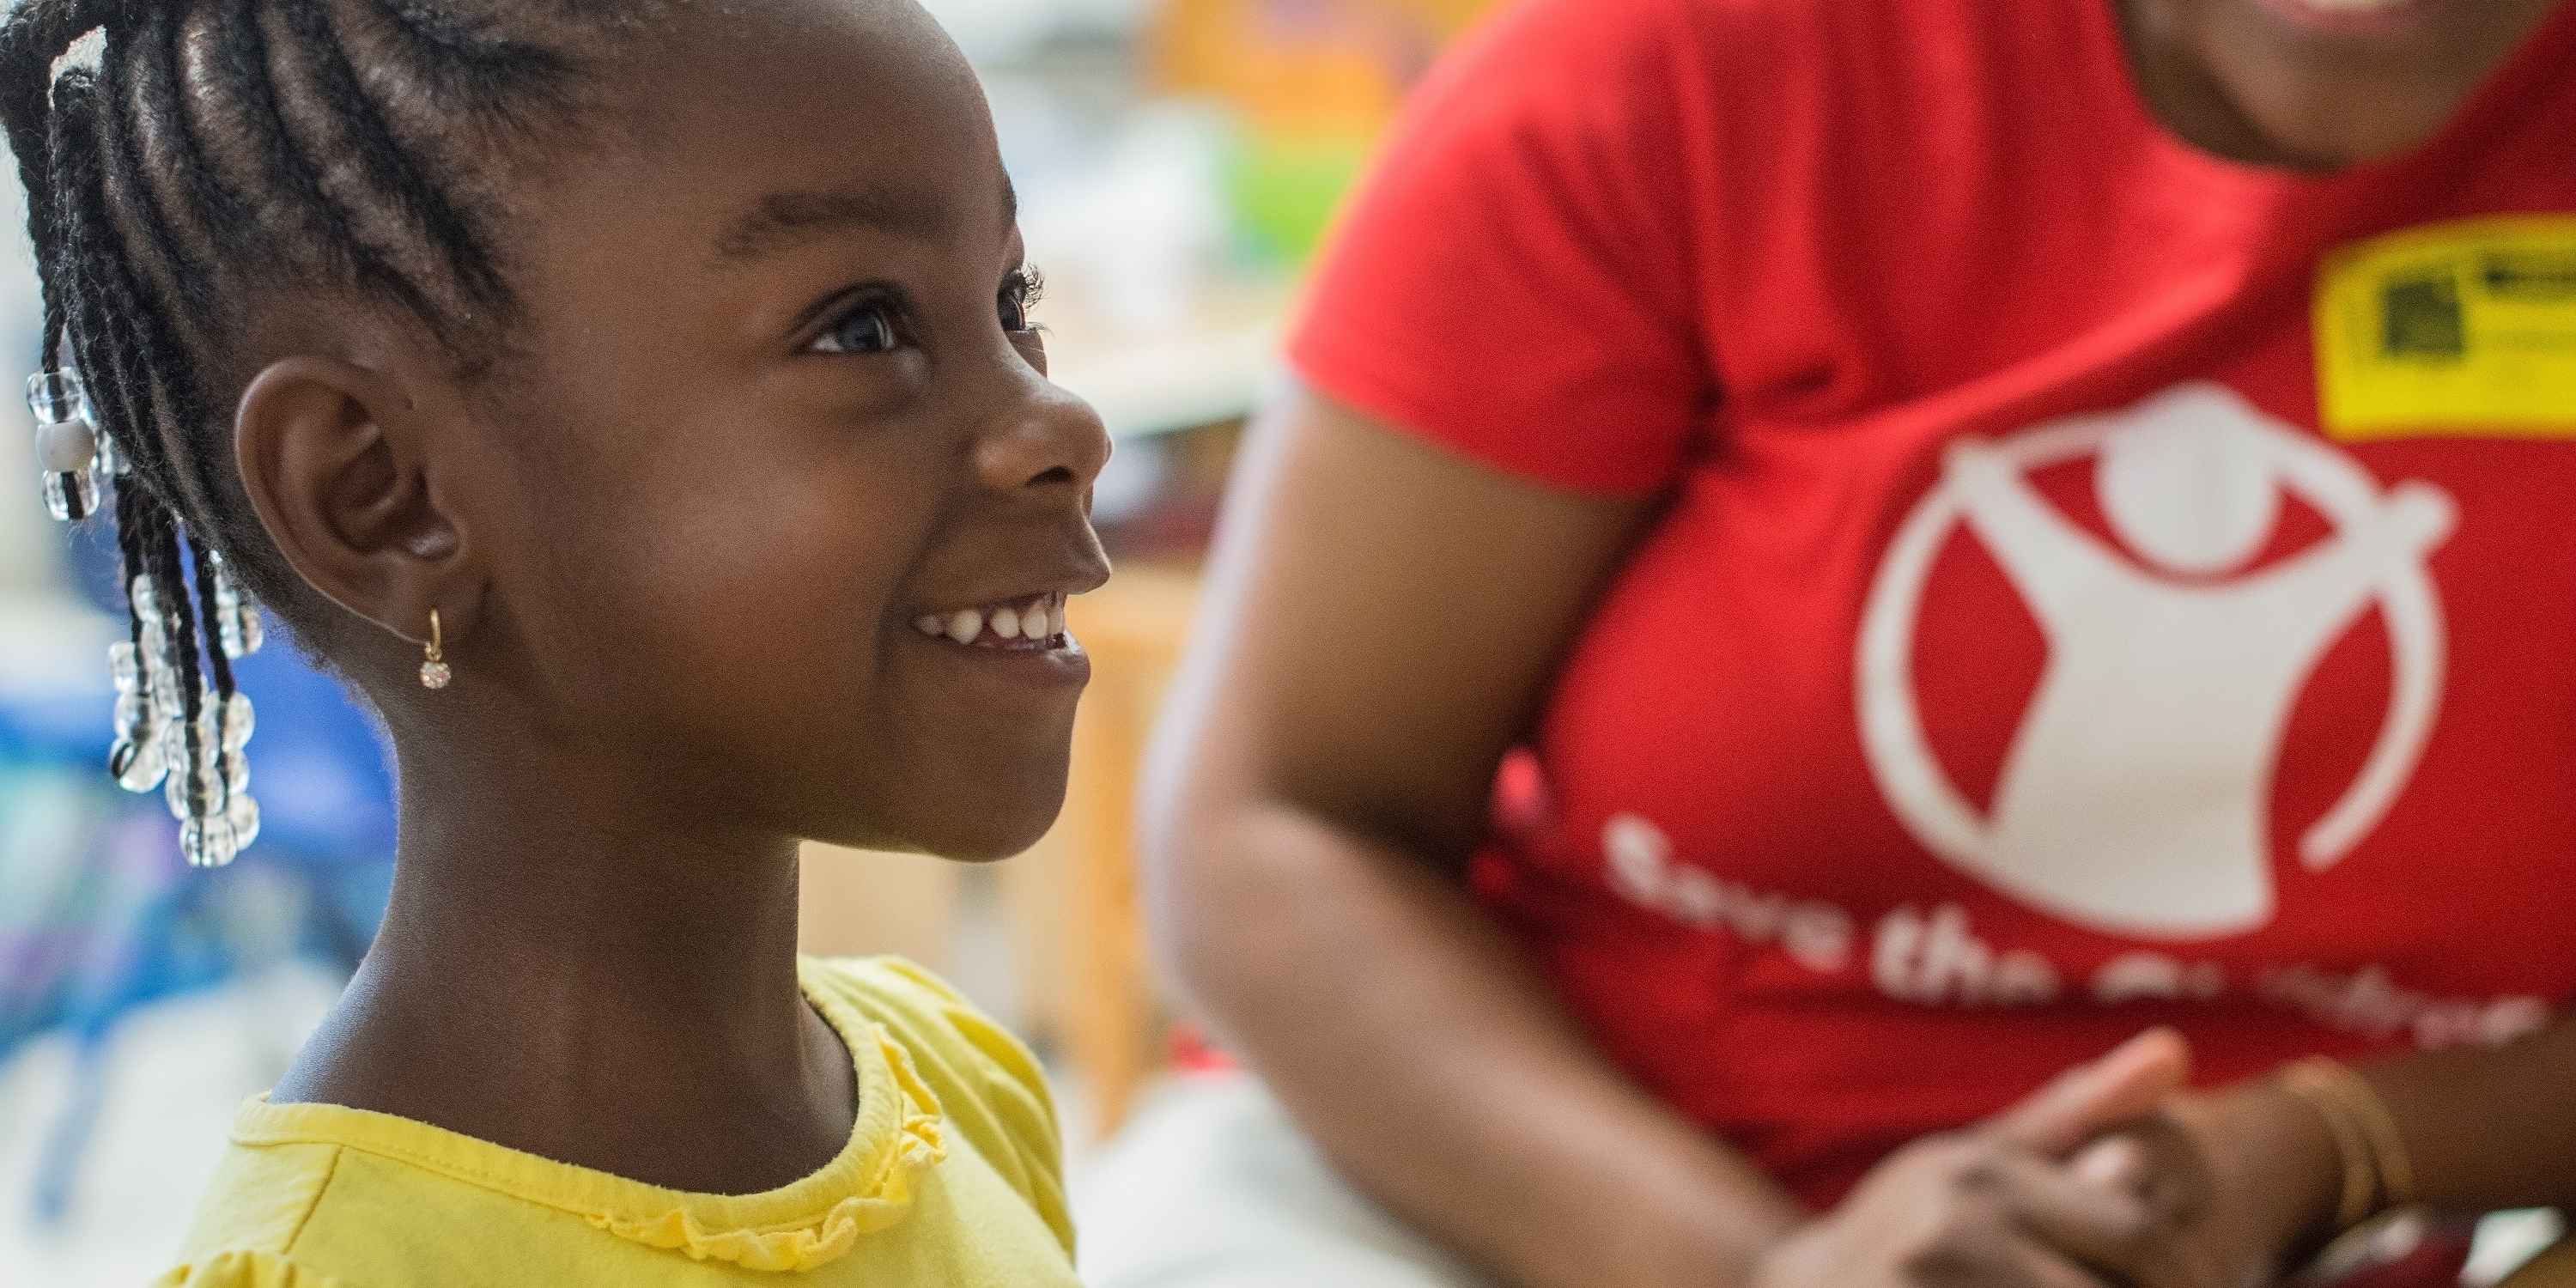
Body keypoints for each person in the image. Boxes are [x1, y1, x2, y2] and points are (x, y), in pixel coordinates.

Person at [1090, 0, 2576, 1285]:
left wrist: (2329, 1146)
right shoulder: (1682, 70)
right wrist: (1767, 1269)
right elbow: (1272, 822)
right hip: (1485, 1189)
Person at [0, 0, 1113, 1279]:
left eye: (1009, 297)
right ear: (386, 496)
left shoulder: (957, 1085)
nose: (1059, 423)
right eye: (862, 327)